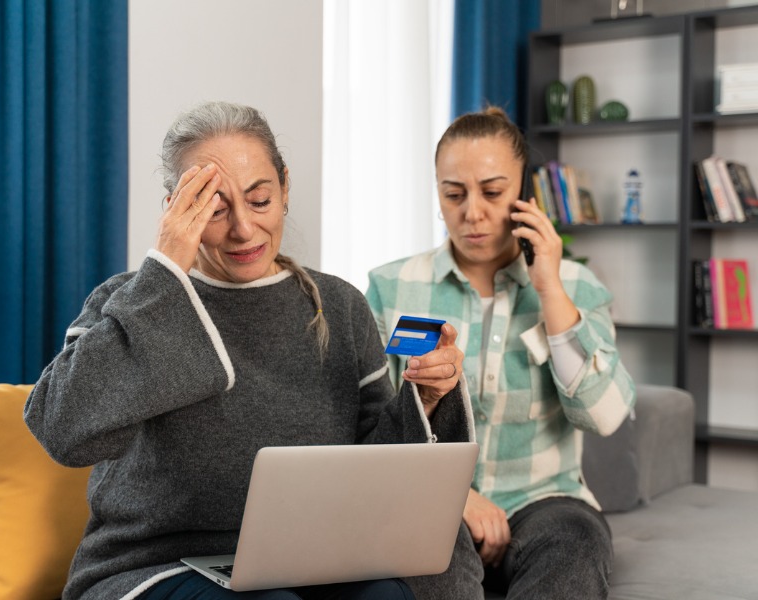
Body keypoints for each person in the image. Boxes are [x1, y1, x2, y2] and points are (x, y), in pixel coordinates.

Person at [24, 101, 474, 600]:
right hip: (153, 564)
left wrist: (427, 401)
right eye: (215, 209)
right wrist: (164, 271)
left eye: (260, 201)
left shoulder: (339, 307)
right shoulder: (130, 301)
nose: (242, 229)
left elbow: (376, 467)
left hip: (311, 558)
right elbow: (63, 431)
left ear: (284, 187)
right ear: (177, 208)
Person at [366, 106, 636, 600]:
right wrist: (456, 497)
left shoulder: (577, 286)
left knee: (575, 545)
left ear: (522, 195)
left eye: (492, 192)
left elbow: (605, 414)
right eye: (453, 194)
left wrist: (550, 289)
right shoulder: (391, 285)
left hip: (546, 501)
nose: (472, 212)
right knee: (428, 559)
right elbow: (371, 422)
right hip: (432, 502)